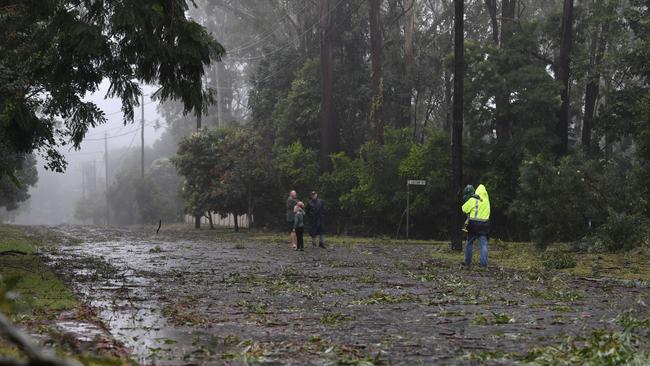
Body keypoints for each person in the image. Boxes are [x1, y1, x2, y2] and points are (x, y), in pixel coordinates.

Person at [461, 184, 490, 267]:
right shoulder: (487, 200)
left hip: (473, 224)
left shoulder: (473, 199)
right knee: (483, 244)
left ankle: (467, 262)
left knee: (469, 242)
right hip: (484, 224)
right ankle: (483, 263)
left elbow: (464, 209)